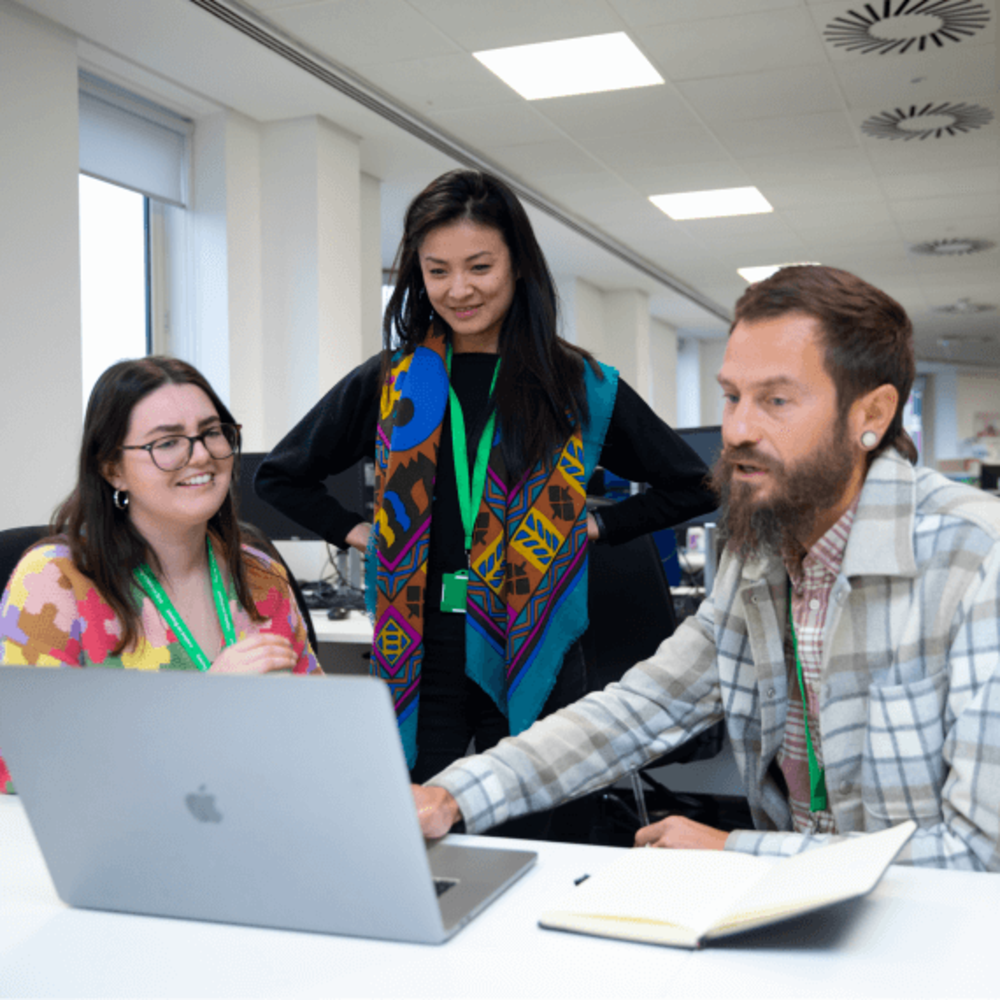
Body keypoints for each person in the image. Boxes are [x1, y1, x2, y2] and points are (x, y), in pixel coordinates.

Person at [414, 265, 1000, 871]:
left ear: (871, 414)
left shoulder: (978, 560)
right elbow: (640, 709)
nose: (738, 430)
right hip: (799, 902)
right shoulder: (763, 551)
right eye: (732, 396)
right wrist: (453, 795)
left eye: (776, 400)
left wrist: (733, 850)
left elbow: (982, 856)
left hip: (933, 920)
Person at [255, 168, 716, 783]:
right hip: (420, 646)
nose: (458, 290)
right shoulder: (395, 382)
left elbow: (696, 483)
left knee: (541, 811)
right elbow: (280, 477)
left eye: (479, 267)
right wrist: (361, 534)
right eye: (437, 270)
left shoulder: (577, 387)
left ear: (517, 264)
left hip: (534, 639)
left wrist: (597, 529)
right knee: (415, 816)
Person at [0, 357, 318, 794]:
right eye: (167, 442)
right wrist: (203, 708)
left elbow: (316, 733)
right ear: (112, 470)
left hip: (254, 814)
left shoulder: (261, 575)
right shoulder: (56, 581)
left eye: (211, 432)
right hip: (123, 829)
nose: (201, 455)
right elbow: (20, 765)